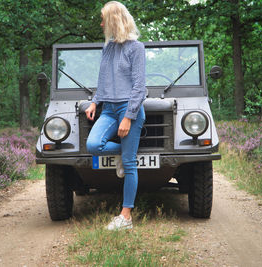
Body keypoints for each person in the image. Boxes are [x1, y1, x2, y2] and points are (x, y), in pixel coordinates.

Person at [85, 1, 146, 230]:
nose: (101, 24)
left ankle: (126, 216)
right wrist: (94, 101)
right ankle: (124, 151)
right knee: (93, 145)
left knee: (130, 163)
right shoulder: (108, 47)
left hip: (128, 109)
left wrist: (129, 116)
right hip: (109, 109)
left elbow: (139, 87)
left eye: (103, 19)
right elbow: (103, 80)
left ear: (113, 21)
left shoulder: (136, 48)